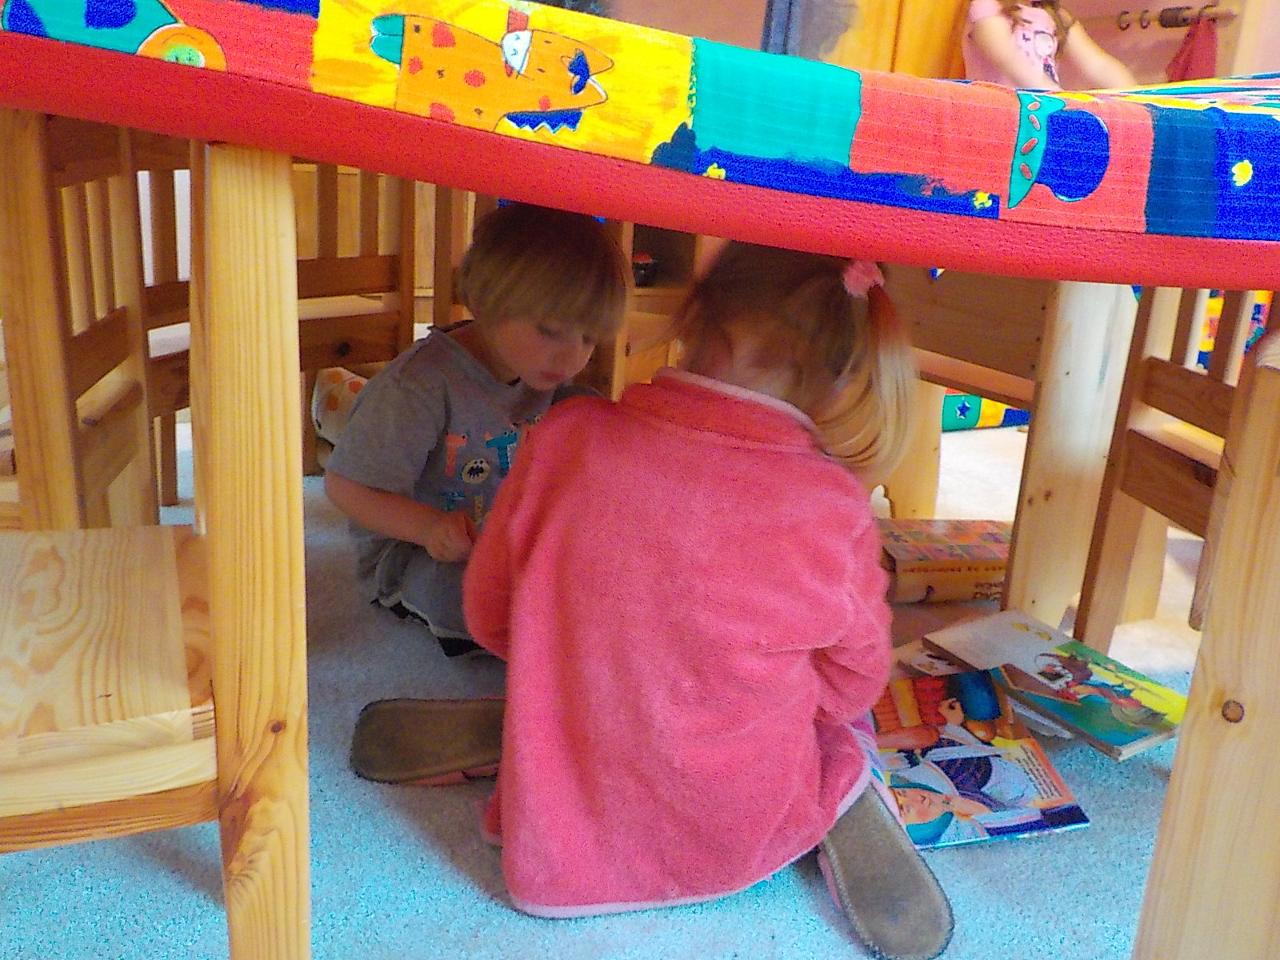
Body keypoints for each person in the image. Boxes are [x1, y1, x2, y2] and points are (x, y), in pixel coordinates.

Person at [462, 242, 952, 958]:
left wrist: (580, 658)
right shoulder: (832, 505)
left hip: (558, 836)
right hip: (731, 832)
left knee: (561, 678)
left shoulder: (565, 435)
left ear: (690, 315)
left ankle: (542, 734)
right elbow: (851, 685)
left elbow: (489, 617)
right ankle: (846, 800)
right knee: (847, 727)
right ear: (841, 375)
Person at [324, 202, 629, 658]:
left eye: (588, 339)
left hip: (502, 540)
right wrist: (429, 529)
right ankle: (546, 647)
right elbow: (345, 487)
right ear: (489, 301)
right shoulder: (420, 387)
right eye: (550, 330)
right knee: (463, 593)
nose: (571, 357)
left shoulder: (547, 378)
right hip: (415, 553)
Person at [963, 0, 1138, 91]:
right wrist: (1057, 97)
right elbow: (1008, 59)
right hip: (1000, 115)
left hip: (1041, 114)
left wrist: (1138, 97)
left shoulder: (1056, 16)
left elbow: (1099, 66)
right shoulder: (987, 8)